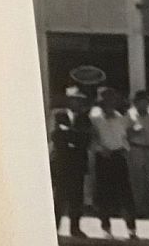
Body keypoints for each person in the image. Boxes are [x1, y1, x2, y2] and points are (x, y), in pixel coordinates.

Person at [90, 87, 138, 240]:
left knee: (125, 193)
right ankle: (106, 228)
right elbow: (92, 137)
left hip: (118, 157)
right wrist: (100, 149)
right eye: (107, 101)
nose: (110, 104)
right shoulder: (95, 117)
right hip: (104, 158)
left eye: (113, 101)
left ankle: (131, 229)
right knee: (103, 194)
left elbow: (131, 130)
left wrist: (125, 148)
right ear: (101, 103)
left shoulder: (121, 118)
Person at [50, 86, 92, 238]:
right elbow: (56, 136)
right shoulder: (58, 115)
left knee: (76, 196)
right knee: (59, 196)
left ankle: (75, 227)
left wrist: (69, 133)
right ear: (69, 101)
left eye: (79, 100)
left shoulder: (84, 118)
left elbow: (86, 139)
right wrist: (73, 136)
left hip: (78, 162)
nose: (77, 103)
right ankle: (54, 227)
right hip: (62, 161)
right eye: (74, 99)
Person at [126, 90, 149, 218]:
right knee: (137, 179)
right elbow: (125, 134)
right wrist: (134, 131)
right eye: (142, 101)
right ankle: (138, 209)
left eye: (146, 101)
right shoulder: (130, 115)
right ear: (136, 102)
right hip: (136, 149)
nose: (145, 104)